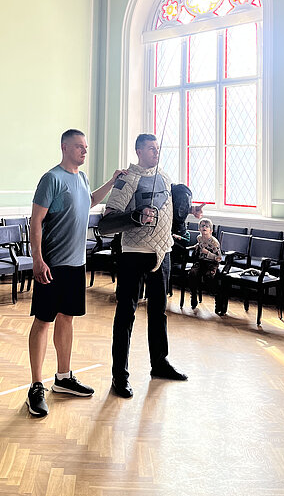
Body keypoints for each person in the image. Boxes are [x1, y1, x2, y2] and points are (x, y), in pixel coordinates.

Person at [26, 129, 125, 418]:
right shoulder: (52, 179)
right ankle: (35, 386)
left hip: (76, 264)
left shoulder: (81, 178)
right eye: (79, 146)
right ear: (65, 147)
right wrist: (38, 259)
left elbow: (89, 201)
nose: (84, 151)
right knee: (43, 321)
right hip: (52, 264)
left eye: (86, 147)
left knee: (67, 319)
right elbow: (36, 221)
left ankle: (63, 377)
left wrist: (112, 182)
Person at [101, 133, 203, 398]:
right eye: (150, 148)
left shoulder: (165, 177)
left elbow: (169, 210)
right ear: (138, 151)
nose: (156, 152)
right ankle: (119, 376)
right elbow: (108, 222)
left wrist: (190, 211)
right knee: (126, 314)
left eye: (157, 148)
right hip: (134, 253)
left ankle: (159, 363)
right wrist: (136, 216)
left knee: (158, 312)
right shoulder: (127, 179)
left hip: (163, 252)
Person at [187, 218, 222, 309]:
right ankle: (193, 295)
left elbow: (219, 258)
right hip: (201, 262)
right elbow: (200, 245)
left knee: (209, 277)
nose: (204, 228)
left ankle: (218, 299)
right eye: (202, 226)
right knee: (192, 273)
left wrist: (208, 253)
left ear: (211, 230)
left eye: (207, 226)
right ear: (199, 229)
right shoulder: (199, 238)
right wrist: (195, 246)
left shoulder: (214, 242)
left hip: (212, 263)